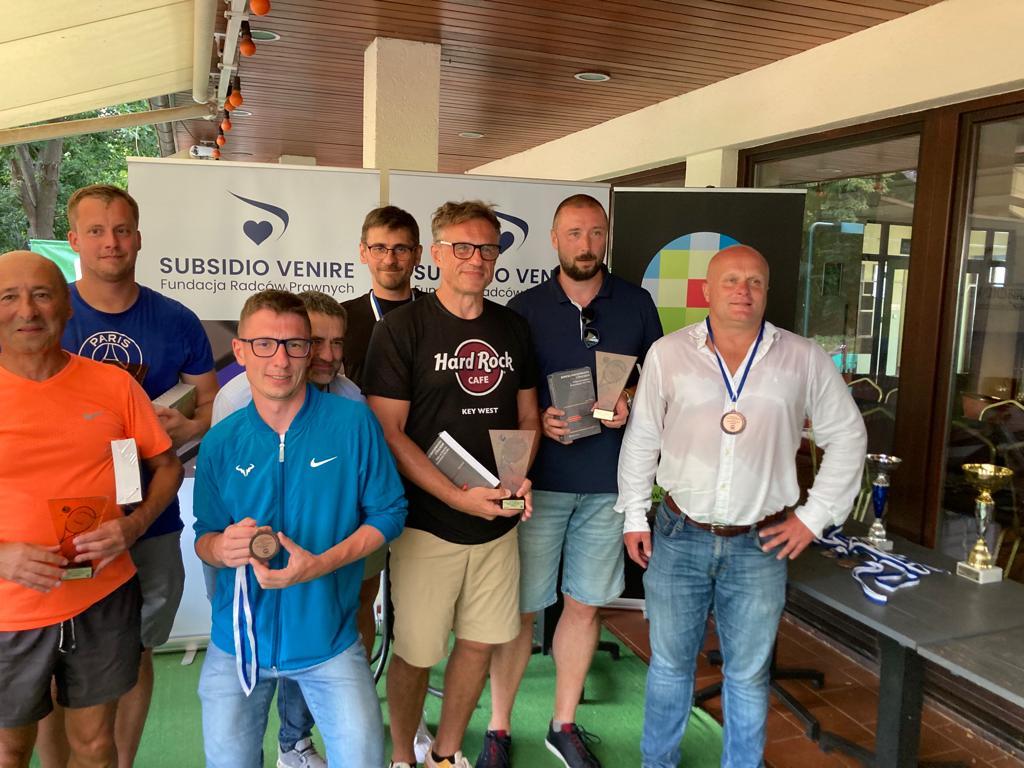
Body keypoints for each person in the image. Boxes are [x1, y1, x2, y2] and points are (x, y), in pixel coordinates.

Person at [616, 245, 867, 768]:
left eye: (754, 281)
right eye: (730, 280)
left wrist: (813, 517)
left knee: (748, 674)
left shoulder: (803, 358)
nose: (743, 291)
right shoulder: (667, 353)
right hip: (680, 533)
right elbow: (642, 439)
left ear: (767, 291)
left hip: (761, 543)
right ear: (706, 291)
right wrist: (635, 514)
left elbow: (847, 437)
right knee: (670, 666)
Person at [480, 194, 663, 767]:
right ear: (554, 239)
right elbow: (501, 392)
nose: (587, 245)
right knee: (519, 611)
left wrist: (630, 396)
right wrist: (538, 419)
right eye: (575, 233)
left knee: (584, 606)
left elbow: (660, 380)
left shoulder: (636, 303)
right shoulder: (523, 308)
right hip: (538, 485)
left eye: (596, 233)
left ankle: (563, 724)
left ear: (606, 237)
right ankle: (498, 729)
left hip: (610, 484)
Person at [194, 290, 407, 768]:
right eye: (264, 344)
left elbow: (390, 513)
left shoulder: (353, 422)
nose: (280, 360)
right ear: (240, 350)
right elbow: (203, 535)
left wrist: (321, 564)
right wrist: (220, 547)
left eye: (294, 345)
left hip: (328, 640)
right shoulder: (221, 440)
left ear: (309, 351)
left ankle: (296, 743)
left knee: (364, 758)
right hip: (238, 645)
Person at [364, 201, 541, 768]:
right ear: (437, 255)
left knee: (480, 643)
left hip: (497, 526)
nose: (476, 258)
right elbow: (389, 432)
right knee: (416, 653)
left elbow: (528, 417)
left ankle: (444, 754)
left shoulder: (513, 328)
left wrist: (517, 479)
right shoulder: (401, 329)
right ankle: (402, 757)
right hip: (427, 526)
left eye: (487, 248)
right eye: (462, 247)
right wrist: (457, 497)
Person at [49, 184, 218, 768]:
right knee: (56, 658)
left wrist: (186, 425)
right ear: (73, 240)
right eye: (96, 231)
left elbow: (209, 405)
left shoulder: (176, 319)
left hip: (151, 513)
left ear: (139, 238)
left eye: (122, 230)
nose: (111, 242)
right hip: (60, 520)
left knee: (136, 650)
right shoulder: (46, 317)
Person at [0, 251, 182, 768]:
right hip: (9, 609)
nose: (27, 310)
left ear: (66, 307)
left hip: (102, 596)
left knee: (97, 747)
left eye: (41, 295)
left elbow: (165, 467)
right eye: (9, 297)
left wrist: (134, 525)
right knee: (9, 750)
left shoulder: (113, 385)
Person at [341, 205, 435, 764]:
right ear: (363, 252)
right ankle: (359, 709)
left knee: (417, 607)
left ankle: (411, 714)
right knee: (362, 599)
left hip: (426, 480)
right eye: (379, 247)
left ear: (418, 255)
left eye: (401, 248)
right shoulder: (342, 319)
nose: (391, 258)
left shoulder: (438, 316)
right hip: (359, 487)